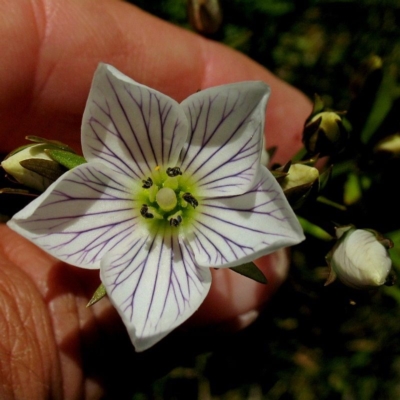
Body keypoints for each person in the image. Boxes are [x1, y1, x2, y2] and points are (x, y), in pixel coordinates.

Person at [0, 0, 311, 398]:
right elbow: (145, 311)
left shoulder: (213, 127)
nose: (166, 197)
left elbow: (241, 115)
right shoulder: (120, 108)